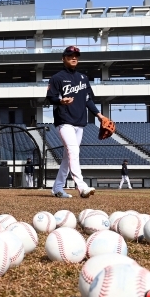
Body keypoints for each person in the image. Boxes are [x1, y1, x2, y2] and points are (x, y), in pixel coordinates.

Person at [46, 45, 105, 199]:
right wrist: (60, 100)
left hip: (80, 122)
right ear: (63, 58)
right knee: (73, 151)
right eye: (70, 55)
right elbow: (50, 97)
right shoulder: (57, 78)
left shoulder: (83, 78)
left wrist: (99, 115)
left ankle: (57, 188)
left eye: (76, 55)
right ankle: (82, 186)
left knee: (68, 156)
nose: (74, 58)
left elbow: (88, 100)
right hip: (64, 121)